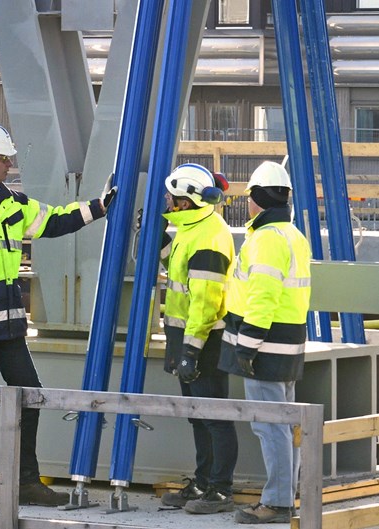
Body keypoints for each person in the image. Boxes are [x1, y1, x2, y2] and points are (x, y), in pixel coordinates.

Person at [0, 119, 117, 510]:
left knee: (31, 397)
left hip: (8, 325)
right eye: (2, 158)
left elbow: (56, 220)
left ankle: (26, 483)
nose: (10, 164)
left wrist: (99, 208)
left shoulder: (13, 201)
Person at [218, 161, 311, 525]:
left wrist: (247, 346)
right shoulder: (293, 235)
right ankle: (285, 496)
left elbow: (263, 297)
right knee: (283, 424)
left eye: (251, 199)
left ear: (258, 199)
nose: (249, 206)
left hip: (265, 345)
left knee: (270, 425)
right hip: (286, 342)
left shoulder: (268, 240)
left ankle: (276, 502)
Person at [156, 163, 239, 515]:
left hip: (204, 341)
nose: (167, 202)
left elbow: (205, 303)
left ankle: (220, 489)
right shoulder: (194, 229)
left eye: (171, 198)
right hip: (187, 337)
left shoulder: (209, 236)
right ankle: (204, 482)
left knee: (214, 417)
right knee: (197, 414)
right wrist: (158, 238)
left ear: (186, 202)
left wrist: (191, 350)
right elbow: (176, 268)